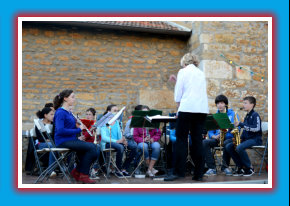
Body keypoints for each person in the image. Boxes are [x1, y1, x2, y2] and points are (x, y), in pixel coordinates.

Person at [165, 52, 209, 181]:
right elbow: (193, 89)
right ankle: (198, 174)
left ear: (184, 62)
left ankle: (179, 172)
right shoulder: (201, 73)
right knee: (197, 141)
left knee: (181, 140)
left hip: (187, 109)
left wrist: (178, 107)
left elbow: (179, 92)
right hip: (201, 110)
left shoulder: (183, 71)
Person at [53, 89, 100, 184]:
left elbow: (68, 126)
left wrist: (77, 125)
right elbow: (60, 130)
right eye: (72, 97)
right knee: (92, 147)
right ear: (65, 98)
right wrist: (78, 129)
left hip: (71, 139)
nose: (74, 99)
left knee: (95, 149)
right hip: (62, 141)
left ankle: (78, 172)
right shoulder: (60, 112)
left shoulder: (68, 112)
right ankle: (83, 174)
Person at [225, 96, 262, 176]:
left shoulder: (255, 115)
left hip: (255, 139)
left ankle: (250, 168)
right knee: (229, 146)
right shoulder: (247, 116)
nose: (243, 105)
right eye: (243, 103)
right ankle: (240, 167)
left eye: (245, 103)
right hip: (247, 139)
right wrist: (241, 138)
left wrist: (241, 124)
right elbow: (245, 130)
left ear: (252, 104)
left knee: (239, 147)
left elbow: (257, 128)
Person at [203, 94, 238, 176]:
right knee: (204, 142)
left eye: (222, 103)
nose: (220, 105)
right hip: (217, 139)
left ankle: (225, 167)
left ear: (225, 104)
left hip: (228, 138)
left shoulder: (232, 114)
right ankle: (212, 168)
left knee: (227, 144)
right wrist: (214, 136)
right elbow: (211, 131)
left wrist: (229, 127)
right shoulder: (214, 116)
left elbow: (237, 128)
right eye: (218, 103)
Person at [100, 104, 136, 178]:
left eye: (117, 111)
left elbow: (120, 135)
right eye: (114, 111)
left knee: (134, 146)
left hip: (118, 142)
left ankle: (124, 168)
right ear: (108, 112)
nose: (116, 113)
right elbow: (104, 138)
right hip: (107, 143)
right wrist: (117, 141)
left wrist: (123, 140)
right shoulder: (104, 122)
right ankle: (117, 169)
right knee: (120, 147)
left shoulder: (118, 122)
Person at [133, 105, 162, 177]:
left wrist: (153, 139)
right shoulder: (137, 122)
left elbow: (158, 133)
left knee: (157, 146)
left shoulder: (154, 121)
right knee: (144, 146)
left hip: (152, 140)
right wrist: (143, 139)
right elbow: (135, 136)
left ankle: (149, 169)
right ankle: (151, 169)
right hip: (141, 142)